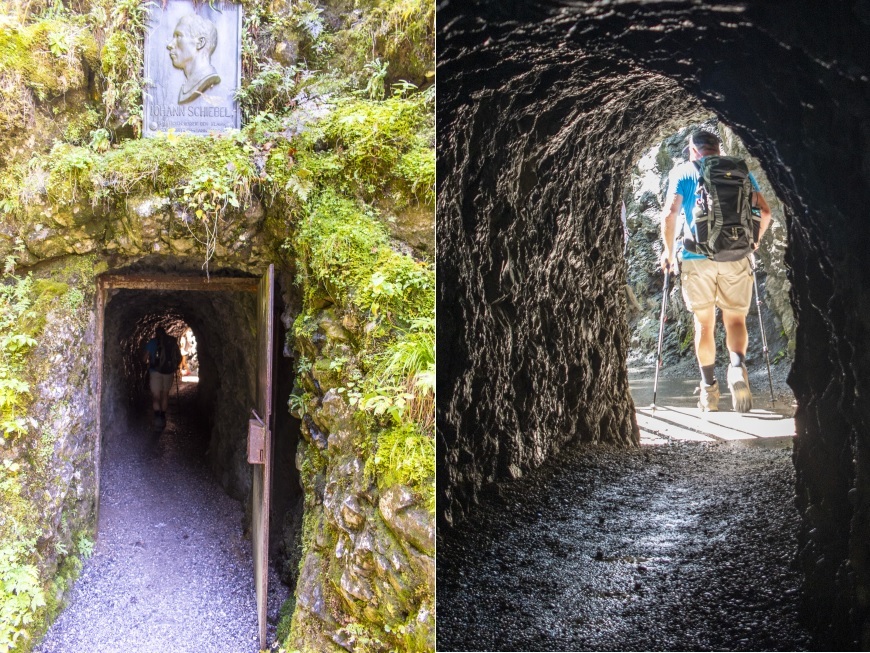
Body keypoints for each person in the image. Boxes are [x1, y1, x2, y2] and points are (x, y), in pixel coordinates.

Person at [659, 130, 772, 412]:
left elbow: (670, 213)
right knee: (736, 320)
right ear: (718, 149)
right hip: (736, 255)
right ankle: (737, 368)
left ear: (692, 150)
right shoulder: (739, 170)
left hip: (697, 258)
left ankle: (709, 391)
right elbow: (766, 212)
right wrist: (754, 242)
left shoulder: (684, 172)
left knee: (704, 324)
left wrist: (668, 253)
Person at [166, 14, 221, 105]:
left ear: (200, 43)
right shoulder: (186, 86)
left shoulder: (207, 79)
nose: (170, 45)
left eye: (179, 36)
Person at [144, 326, 180, 429]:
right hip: (168, 372)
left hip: (155, 372)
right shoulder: (171, 342)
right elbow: (178, 357)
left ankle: (157, 418)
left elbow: (144, 358)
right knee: (165, 394)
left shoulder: (152, 342)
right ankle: (163, 417)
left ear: (156, 333)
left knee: (156, 396)